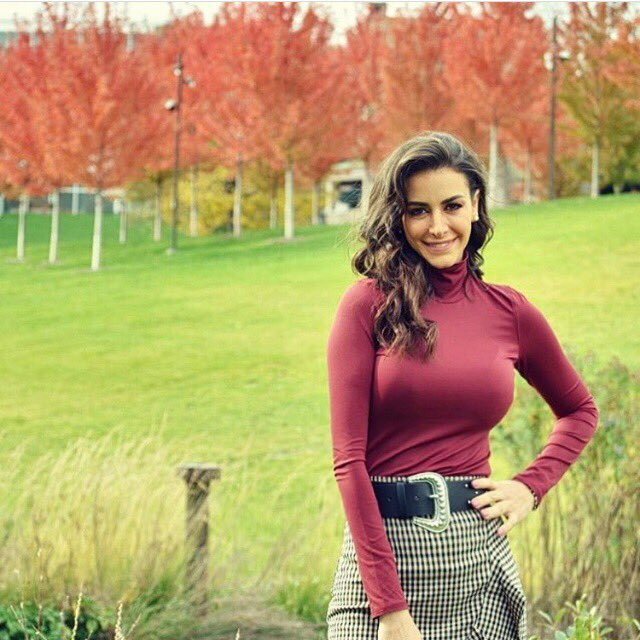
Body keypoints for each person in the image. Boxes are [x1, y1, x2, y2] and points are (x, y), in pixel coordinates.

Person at [325, 131, 599, 640]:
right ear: (398, 217)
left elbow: (580, 410)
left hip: (478, 560)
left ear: (475, 204)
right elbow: (348, 462)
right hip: (384, 566)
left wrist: (530, 487)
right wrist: (390, 610)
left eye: (451, 206)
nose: (437, 227)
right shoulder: (366, 305)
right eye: (418, 211)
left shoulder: (510, 311)